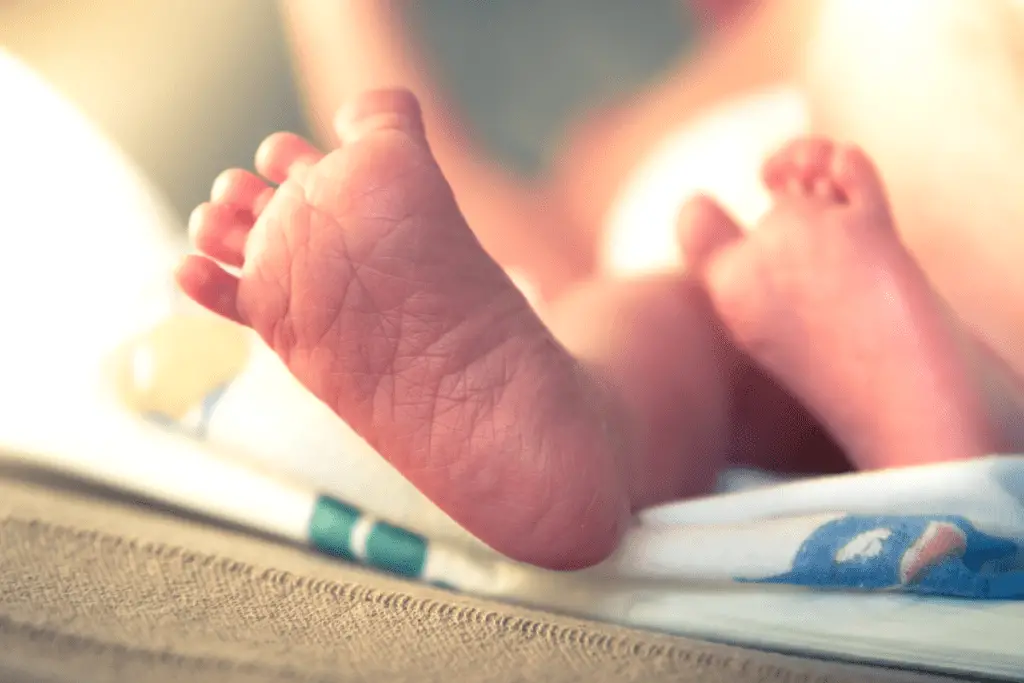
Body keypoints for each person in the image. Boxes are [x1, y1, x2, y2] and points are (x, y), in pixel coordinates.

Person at [176, 0, 1024, 570]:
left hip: (772, 199)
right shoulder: (601, 142)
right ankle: (932, 417)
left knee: (656, 326)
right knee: (642, 326)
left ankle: (610, 419)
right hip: (748, 241)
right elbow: (499, 259)